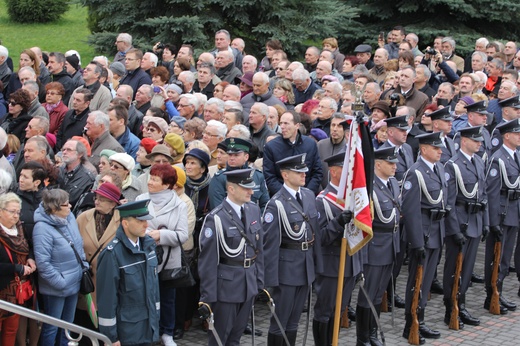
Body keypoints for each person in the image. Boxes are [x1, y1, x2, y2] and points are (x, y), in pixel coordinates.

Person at [198, 168, 264, 346]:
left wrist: (259, 281)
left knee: (235, 337)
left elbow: (259, 250)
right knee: (220, 339)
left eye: (251, 187)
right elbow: (208, 262)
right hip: (226, 288)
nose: (251, 191)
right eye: (246, 188)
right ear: (231, 189)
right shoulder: (216, 218)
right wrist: (207, 298)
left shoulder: (253, 210)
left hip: (248, 283)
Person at [262, 154, 322, 345]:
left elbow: (315, 235)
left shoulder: (309, 195)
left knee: (295, 319)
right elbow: (269, 245)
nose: (304, 174)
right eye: (298, 171)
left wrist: (316, 265)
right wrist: (270, 280)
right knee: (280, 319)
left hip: (305, 266)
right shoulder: (276, 204)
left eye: (304, 170)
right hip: (286, 270)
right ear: (285, 175)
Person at [401, 132, 448, 344]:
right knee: (416, 282)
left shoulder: (439, 168)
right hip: (423, 235)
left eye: (440, 148)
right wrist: (417, 242)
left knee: (426, 282)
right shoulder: (415, 173)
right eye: (435, 148)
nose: (440, 151)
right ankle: (410, 323)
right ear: (424, 149)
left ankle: (421, 317)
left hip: (436, 231)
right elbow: (410, 212)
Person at [136, 164, 188, 346]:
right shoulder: (141, 199)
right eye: (150, 178)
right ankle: (149, 331)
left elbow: (183, 235)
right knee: (146, 297)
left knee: (167, 298)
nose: (150, 182)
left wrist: (161, 235)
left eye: (155, 179)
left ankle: (167, 332)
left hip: (167, 260)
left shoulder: (179, 205)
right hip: (145, 258)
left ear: (166, 185)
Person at [313, 152, 362, 346]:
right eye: (345, 170)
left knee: (339, 309)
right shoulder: (322, 200)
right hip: (331, 265)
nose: (350, 174)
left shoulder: (353, 199)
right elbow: (321, 238)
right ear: (333, 172)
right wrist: (338, 223)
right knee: (325, 310)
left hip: (349, 263)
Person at [96, 199, 160, 346]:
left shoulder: (148, 247)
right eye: (140, 221)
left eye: (146, 220)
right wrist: (110, 338)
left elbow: (153, 291)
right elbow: (107, 300)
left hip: (148, 329)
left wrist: (155, 322)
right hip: (127, 334)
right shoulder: (112, 255)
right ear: (125, 223)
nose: (147, 225)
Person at [355, 147, 401, 346]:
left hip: (390, 245)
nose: (394, 166)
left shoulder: (393, 185)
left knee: (378, 293)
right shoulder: (369, 188)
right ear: (378, 164)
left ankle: (373, 333)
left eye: (395, 163)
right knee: (367, 294)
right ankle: (363, 338)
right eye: (390, 163)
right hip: (374, 247)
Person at [443, 126, 488, 329]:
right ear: (463, 141)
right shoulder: (453, 165)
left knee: (467, 269)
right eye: (475, 140)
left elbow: (483, 195)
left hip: (475, 221)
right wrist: (454, 230)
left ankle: (461, 304)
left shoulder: (478, 161)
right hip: (461, 222)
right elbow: (449, 202)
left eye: (480, 141)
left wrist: (485, 222)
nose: (479, 143)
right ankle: (450, 308)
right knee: (454, 269)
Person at [33, 189, 87, 346]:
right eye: (65, 204)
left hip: (74, 281)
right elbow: (43, 263)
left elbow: (78, 243)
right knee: (52, 327)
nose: (70, 206)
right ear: (54, 208)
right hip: (56, 287)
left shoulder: (69, 218)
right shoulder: (42, 228)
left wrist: (82, 264)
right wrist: (60, 283)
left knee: (67, 325)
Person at [75, 182, 121, 341]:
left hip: (109, 280)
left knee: (107, 320)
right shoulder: (83, 217)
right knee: (86, 324)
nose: (96, 201)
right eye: (96, 197)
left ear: (113, 203)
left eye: (102, 199)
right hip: (88, 281)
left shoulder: (122, 220)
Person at [484, 119, 520, 315]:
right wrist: (493, 221)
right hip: (502, 215)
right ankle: (492, 294)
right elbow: (492, 193)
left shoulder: (515, 156)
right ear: (507, 136)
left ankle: (499, 290)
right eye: (517, 134)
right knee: (496, 257)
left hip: (514, 212)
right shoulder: (498, 159)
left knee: (505, 258)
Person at [0, 193, 36, 346]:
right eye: (11, 211)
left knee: (11, 331)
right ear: (1, 210)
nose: (16, 216)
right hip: (2, 288)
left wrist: (30, 257)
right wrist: (17, 268)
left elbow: (29, 246)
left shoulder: (20, 228)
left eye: (18, 212)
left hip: (18, 292)